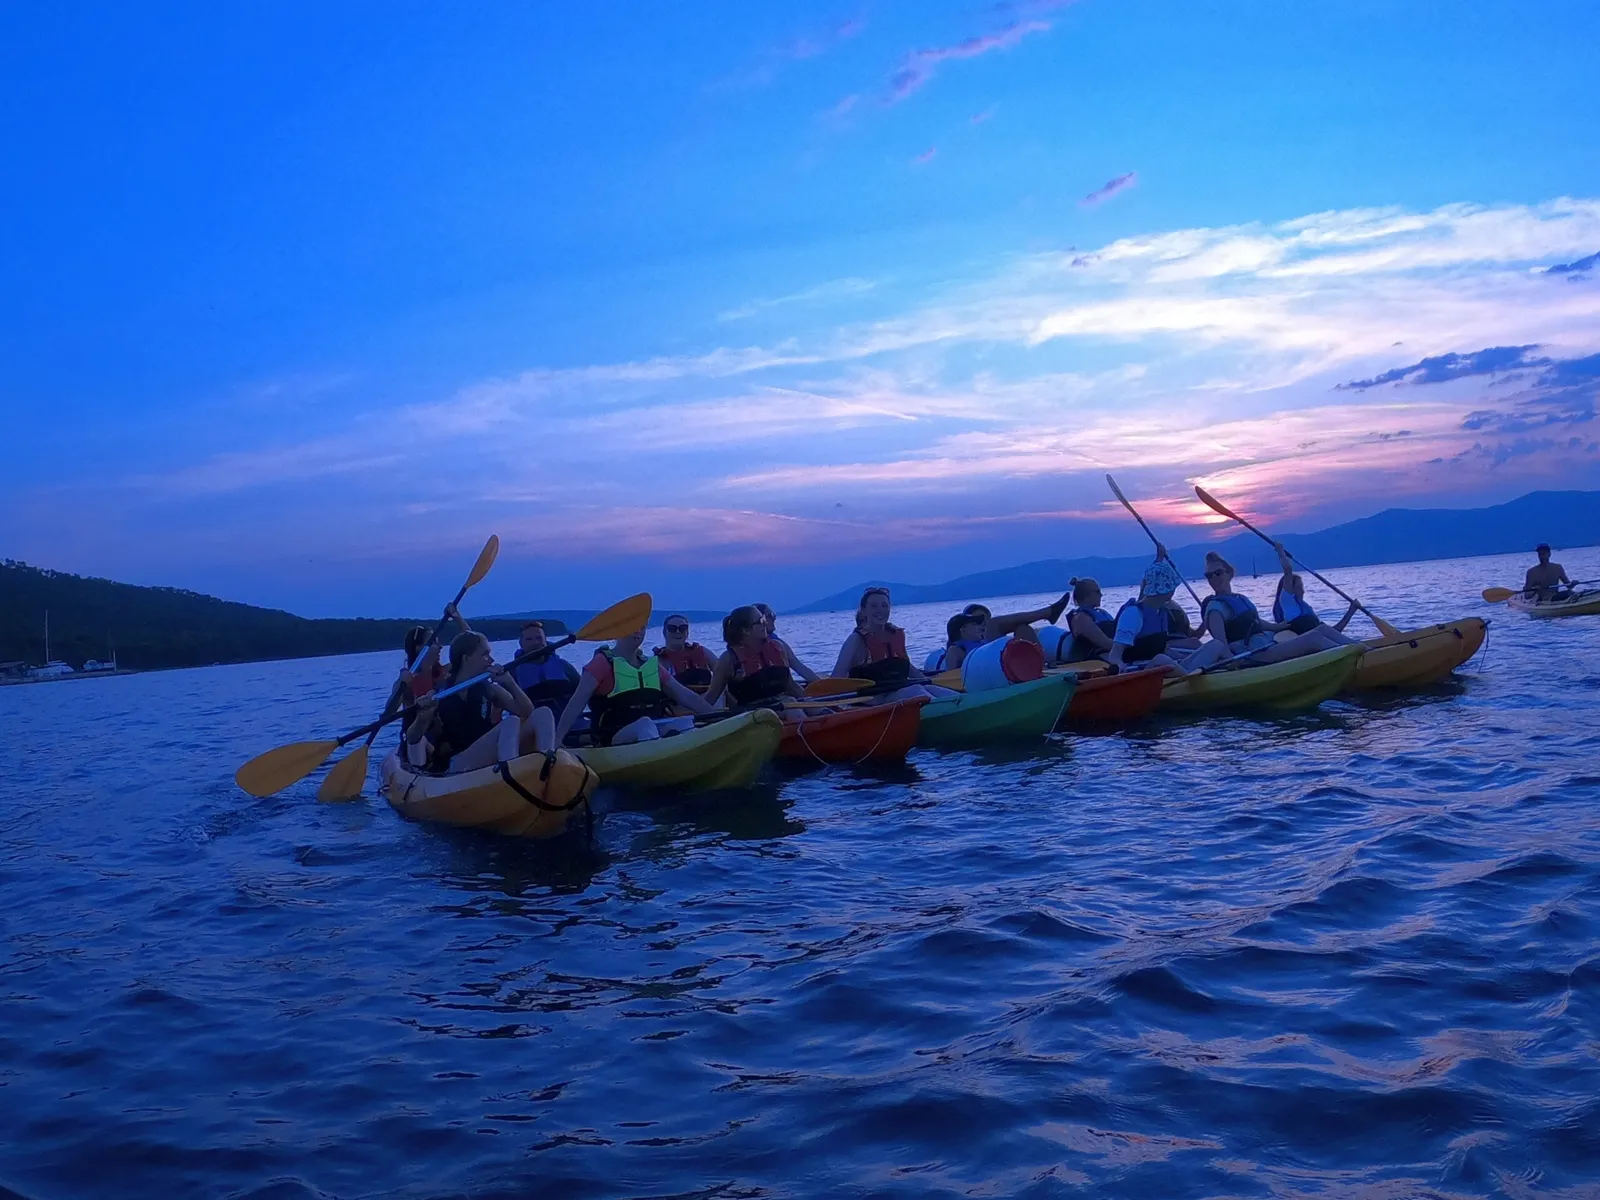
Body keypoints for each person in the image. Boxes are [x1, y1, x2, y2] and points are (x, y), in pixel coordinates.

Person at [1184, 551, 1354, 670]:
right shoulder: (1215, 609)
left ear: (1228, 573)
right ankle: (1352, 663)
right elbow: (1221, 645)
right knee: (1314, 637)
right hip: (1253, 654)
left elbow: (1256, 622)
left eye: (1218, 573)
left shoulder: (1240, 598)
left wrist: (1279, 627)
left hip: (1266, 642)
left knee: (1322, 629)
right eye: (1209, 575)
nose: (1214, 578)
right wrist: (1236, 666)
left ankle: (1361, 650)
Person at [404, 631, 543, 773]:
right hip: (455, 763)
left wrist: (510, 684)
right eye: (485, 655)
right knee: (511, 722)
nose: (491, 660)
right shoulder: (439, 694)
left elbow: (527, 712)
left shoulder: (489, 689)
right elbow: (412, 738)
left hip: (483, 756)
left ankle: (547, 762)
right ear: (466, 658)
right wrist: (422, 718)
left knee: (543, 714)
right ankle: (511, 772)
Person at [554, 625, 716, 747]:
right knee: (645, 725)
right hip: (613, 736)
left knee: (685, 722)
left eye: (642, 627)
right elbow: (576, 704)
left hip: (651, 731)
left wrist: (716, 717)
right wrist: (558, 739)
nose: (638, 632)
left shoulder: (650, 665)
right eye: (632, 627)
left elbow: (686, 695)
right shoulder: (601, 664)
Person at [830, 588, 956, 699]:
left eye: (884, 606)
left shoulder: (896, 634)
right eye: (874, 606)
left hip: (899, 690)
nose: (880, 610)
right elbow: (836, 677)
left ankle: (957, 702)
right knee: (916, 690)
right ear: (863, 610)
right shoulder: (856, 640)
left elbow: (906, 666)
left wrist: (928, 681)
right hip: (873, 699)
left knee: (933, 689)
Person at [705, 605, 806, 711]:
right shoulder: (729, 659)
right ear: (745, 630)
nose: (765, 623)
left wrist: (810, 699)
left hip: (785, 706)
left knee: (795, 703)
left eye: (764, 619)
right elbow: (711, 697)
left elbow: (791, 685)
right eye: (761, 621)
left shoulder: (778, 647)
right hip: (753, 715)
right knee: (790, 704)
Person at [1105, 558, 1193, 675]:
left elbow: (1163, 648)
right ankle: (1192, 679)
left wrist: (1183, 657)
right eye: (1172, 588)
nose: (1173, 591)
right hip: (1139, 671)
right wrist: (1120, 667)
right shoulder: (1133, 614)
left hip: (1166, 667)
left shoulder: (1162, 612)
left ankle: (1198, 674)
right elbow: (1114, 655)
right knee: (1161, 659)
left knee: (1215, 645)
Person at [1272, 542, 1359, 643]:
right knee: (1322, 629)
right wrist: (1281, 552)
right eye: (1299, 588)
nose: (1303, 591)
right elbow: (1288, 570)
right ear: (1291, 590)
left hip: (1324, 644)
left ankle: (1360, 647)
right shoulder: (1288, 603)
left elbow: (1334, 632)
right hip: (1309, 646)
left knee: (1324, 629)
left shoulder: (1306, 608)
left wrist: (1351, 611)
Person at [509, 620, 583, 729]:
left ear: (545, 640)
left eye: (539, 638)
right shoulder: (511, 673)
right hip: (531, 726)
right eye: (529, 639)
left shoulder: (564, 666)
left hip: (567, 723)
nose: (535, 643)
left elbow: (583, 692)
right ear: (521, 643)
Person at [753, 602, 820, 685]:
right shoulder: (775, 644)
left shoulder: (774, 640)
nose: (774, 618)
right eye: (770, 615)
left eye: (774, 615)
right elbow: (798, 667)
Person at [653, 615, 717, 689]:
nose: (677, 632)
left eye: (682, 628)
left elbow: (722, 672)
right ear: (664, 632)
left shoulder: (701, 651)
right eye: (672, 628)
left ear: (687, 632)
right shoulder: (657, 661)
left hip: (707, 694)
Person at [1062, 578, 1117, 663]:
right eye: (1097, 591)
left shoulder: (1101, 612)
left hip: (1110, 654)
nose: (1101, 595)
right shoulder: (1081, 619)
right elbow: (1106, 644)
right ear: (1086, 595)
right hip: (1096, 660)